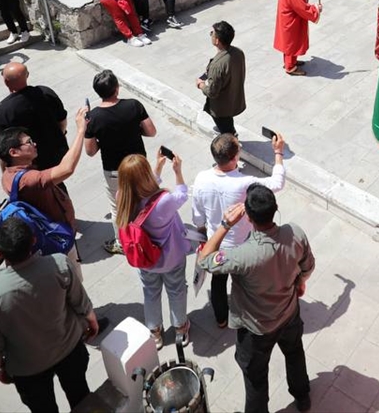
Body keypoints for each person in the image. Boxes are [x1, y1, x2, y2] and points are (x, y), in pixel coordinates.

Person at [199, 184, 315, 413]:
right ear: (275, 207)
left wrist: (225, 225)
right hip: (289, 314)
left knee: (255, 379)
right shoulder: (295, 233)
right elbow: (308, 266)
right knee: (294, 354)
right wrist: (300, 282)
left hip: (256, 329)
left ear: (249, 218)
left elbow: (205, 260)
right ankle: (302, 398)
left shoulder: (243, 255)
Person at [0, 217, 98, 413]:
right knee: (81, 397)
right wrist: (92, 322)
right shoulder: (59, 264)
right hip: (69, 351)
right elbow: (81, 303)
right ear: (33, 240)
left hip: (27, 369)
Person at [191, 133, 285, 328]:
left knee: (218, 283)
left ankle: (221, 319)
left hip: (216, 245)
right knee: (245, 284)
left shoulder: (201, 178)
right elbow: (277, 183)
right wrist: (278, 152)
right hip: (242, 247)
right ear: (235, 158)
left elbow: (198, 217)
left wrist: (204, 236)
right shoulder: (245, 182)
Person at [0, 113, 86, 276]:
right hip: (58, 240)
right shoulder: (28, 180)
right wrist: (81, 130)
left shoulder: (9, 174)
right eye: (29, 142)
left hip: (48, 238)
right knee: (72, 282)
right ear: (14, 152)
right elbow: (67, 168)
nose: (34, 143)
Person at [116, 151, 192, 346]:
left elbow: (142, 193)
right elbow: (182, 194)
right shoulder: (164, 200)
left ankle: (155, 332)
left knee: (150, 293)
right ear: (146, 174)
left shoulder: (122, 198)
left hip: (144, 259)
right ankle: (180, 328)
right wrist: (177, 171)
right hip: (171, 258)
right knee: (176, 291)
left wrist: (158, 168)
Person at [84, 69, 155, 255]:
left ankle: (122, 243)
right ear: (117, 88)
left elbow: (90, 151)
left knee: (118, 208)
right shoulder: (134, 105)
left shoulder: (93, 118)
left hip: (114, 171)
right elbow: (151, 131)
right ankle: (151, 234)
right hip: (139, 166)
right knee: (144, 200)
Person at [0, 62, 69, 170]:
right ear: (27, 75)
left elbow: (3, 149)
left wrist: (7, 174)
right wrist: (60, 137)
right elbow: (62, 121)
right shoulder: (45, 93)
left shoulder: (1, 113)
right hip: (57, 156)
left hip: (30, 167)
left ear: (6, 82)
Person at [197, 21, 245, 136]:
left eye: (212, 33)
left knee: (227, 130)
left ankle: (231, 137)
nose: (211, 35)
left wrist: (201, 85)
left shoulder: (217, 65)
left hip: (221, 107)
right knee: (228, 120)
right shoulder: (238, 52)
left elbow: (212, 92)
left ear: (217, 40)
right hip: (233, 98)